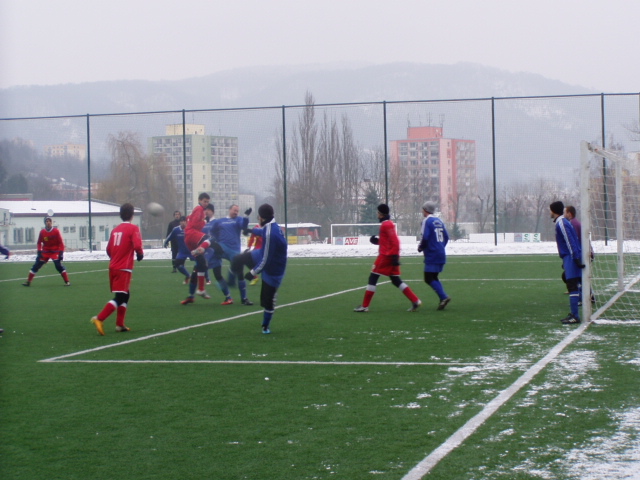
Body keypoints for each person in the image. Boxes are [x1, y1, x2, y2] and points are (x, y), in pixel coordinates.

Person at [354, 204, 421, 313]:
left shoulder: (386, 225)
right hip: (390, 255)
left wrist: (394, 256)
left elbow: (395, 241)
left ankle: (365, 306)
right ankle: (415, 300)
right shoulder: (387, 224)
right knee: (396, 280)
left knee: (373, 277)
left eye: (378, 212)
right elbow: (388, 241)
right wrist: (377, 241)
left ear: (381, 214)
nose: (377, 214)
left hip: (386, 256)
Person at [232, 204, 287, 334]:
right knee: (238, 259)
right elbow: (262, 231)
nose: (258, 219)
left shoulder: (270, 234)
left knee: (267, 301)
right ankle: (237, 286)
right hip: (260, 256)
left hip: (274, 268)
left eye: (258, 216)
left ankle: (265, 326)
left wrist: (253, 273)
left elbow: (267, 260)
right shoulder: (272, 226)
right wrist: (251, 230)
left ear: (262, 218)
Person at [91, 203, 143, 335]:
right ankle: (99, 318)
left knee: (125, 295)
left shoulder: (115, 230)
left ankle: (120, 325)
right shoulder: (133, 228)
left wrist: (116, 257)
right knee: (120, 297)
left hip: (113, 267)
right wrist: (140, 254)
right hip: (123, 268)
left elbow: (109, 250)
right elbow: (137, 244)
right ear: (132, 215)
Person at [210, 204, 253, 305]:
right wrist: (215, 241)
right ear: (229, 210)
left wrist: (246, 216)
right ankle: (227, 295)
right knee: (216, 270)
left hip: (234, 250)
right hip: (222, 247)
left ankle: (244, 298)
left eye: (237, 211)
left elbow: (243, 226)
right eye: (234, 210)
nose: (236, 212)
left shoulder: (238, 220)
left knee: (240, 273)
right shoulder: (219, 221)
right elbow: (212, 231)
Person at [550, 201, 583, 325]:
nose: (550, 213)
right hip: (569, 256)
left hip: (571, 256)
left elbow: (570, 240)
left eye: (550, 210)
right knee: (575, 283)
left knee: (572, 285)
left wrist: (575, 257)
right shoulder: (563, 222)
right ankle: (575, 313)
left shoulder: (562, 223)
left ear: (554, 211)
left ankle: (575, 315)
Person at [181, 193, 213, 304]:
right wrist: (204, 221)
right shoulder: (199, 209)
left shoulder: (198, 211)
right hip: (192, 235)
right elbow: (194, 224)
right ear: (199, 200)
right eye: (205, 201)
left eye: (207, 202)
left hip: (190, 238)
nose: (206, 204)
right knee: (211, 239)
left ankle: (199, 291)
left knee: (201, 265)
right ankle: (199, 250)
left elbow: (189, 219)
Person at [418, 201, 451, 310]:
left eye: (423, 209)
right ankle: (443, 298)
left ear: (425, 210)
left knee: (428, 277)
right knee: (433, 276)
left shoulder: (426, 221)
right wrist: (440, 247)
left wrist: (421, 247)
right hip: (441, 252)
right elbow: (446, 237)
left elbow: (425, 237)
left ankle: (443, 296)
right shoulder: (439, 220)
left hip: (432, 253)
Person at [22, 216, 71, 287]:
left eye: (49, 221)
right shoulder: (42, 232)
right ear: (45, 223)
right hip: (45, 252)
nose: (48, 222)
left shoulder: (56, 231)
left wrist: (61, 253)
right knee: (36, 265)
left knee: (58, 266)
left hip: (55, 251)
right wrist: (39, 251)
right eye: (46, 221)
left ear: (52, 222)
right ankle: (28, 282)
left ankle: (67, 282)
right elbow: (39, 243)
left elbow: (61, 243)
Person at [164, 216, 191, 284]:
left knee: (200, 263)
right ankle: (188, 275)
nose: (182, 222)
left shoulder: (190, 229)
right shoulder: (176, 230)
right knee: (178, 264)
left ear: (186, 221)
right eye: (181, 221)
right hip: (182, 251)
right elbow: (170, 236)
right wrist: (166, 242)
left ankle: (207, 279)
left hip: (191, 250)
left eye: (184, 221)